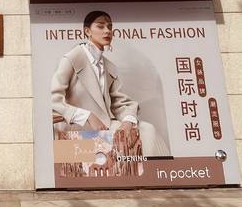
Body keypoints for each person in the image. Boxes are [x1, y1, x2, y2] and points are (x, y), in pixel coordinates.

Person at [51, 10, 168, 156]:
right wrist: (87, 116)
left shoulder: (109, 66)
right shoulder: (71, 59)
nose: (107, 31)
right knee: (140, 137)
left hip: (107, 126)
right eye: (100, 26)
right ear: (87, 31)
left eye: (109, 27)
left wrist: (128, 121)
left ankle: (155, 169)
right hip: (77, 127)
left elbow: (120, 102)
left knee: (147, 129)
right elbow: (53, 100)